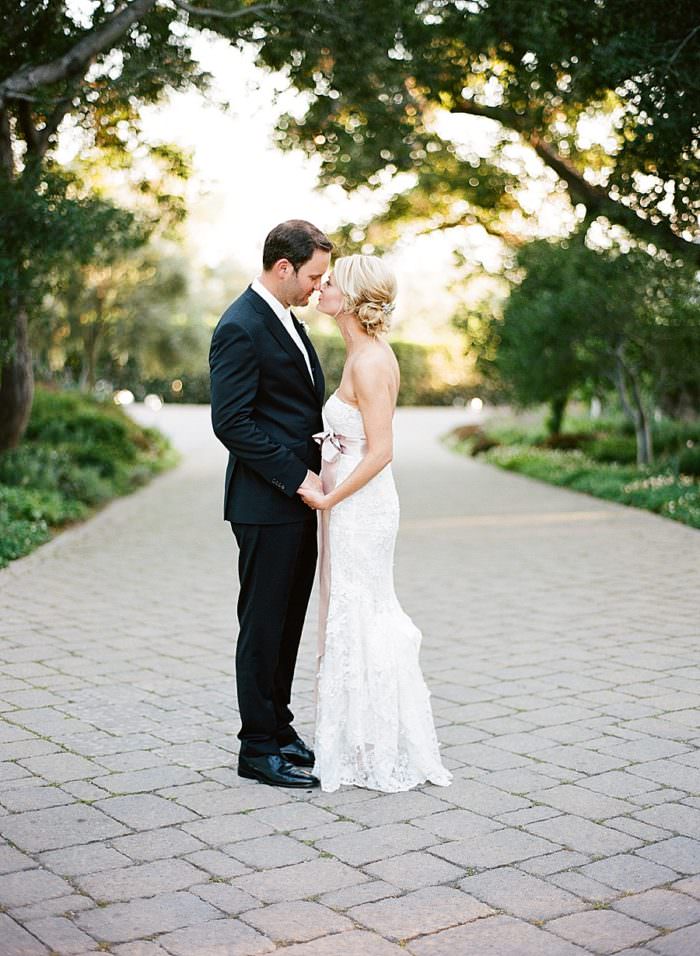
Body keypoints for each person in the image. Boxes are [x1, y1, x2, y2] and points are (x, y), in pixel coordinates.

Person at [299, 254, 452, 793]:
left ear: (352, 298)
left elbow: (381, 451)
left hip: (361, 510)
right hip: (351, 506)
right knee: (352, 614)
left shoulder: (370, 362)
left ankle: (377, 745)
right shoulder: (358, 352)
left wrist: (328, 497)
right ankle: (359, 738)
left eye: (331, 282)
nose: (321, 288)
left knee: (362, 613)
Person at [209, 220, 332, 789]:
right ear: (283, 267)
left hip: (298, 501)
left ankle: (279, 730)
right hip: (267, 501)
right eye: (312, 276)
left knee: (287, 623)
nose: (317, 287)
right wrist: (298, 477)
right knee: (262, 626)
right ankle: (257, 748)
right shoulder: (240, 325)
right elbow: (231, 422)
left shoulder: (287, 319)